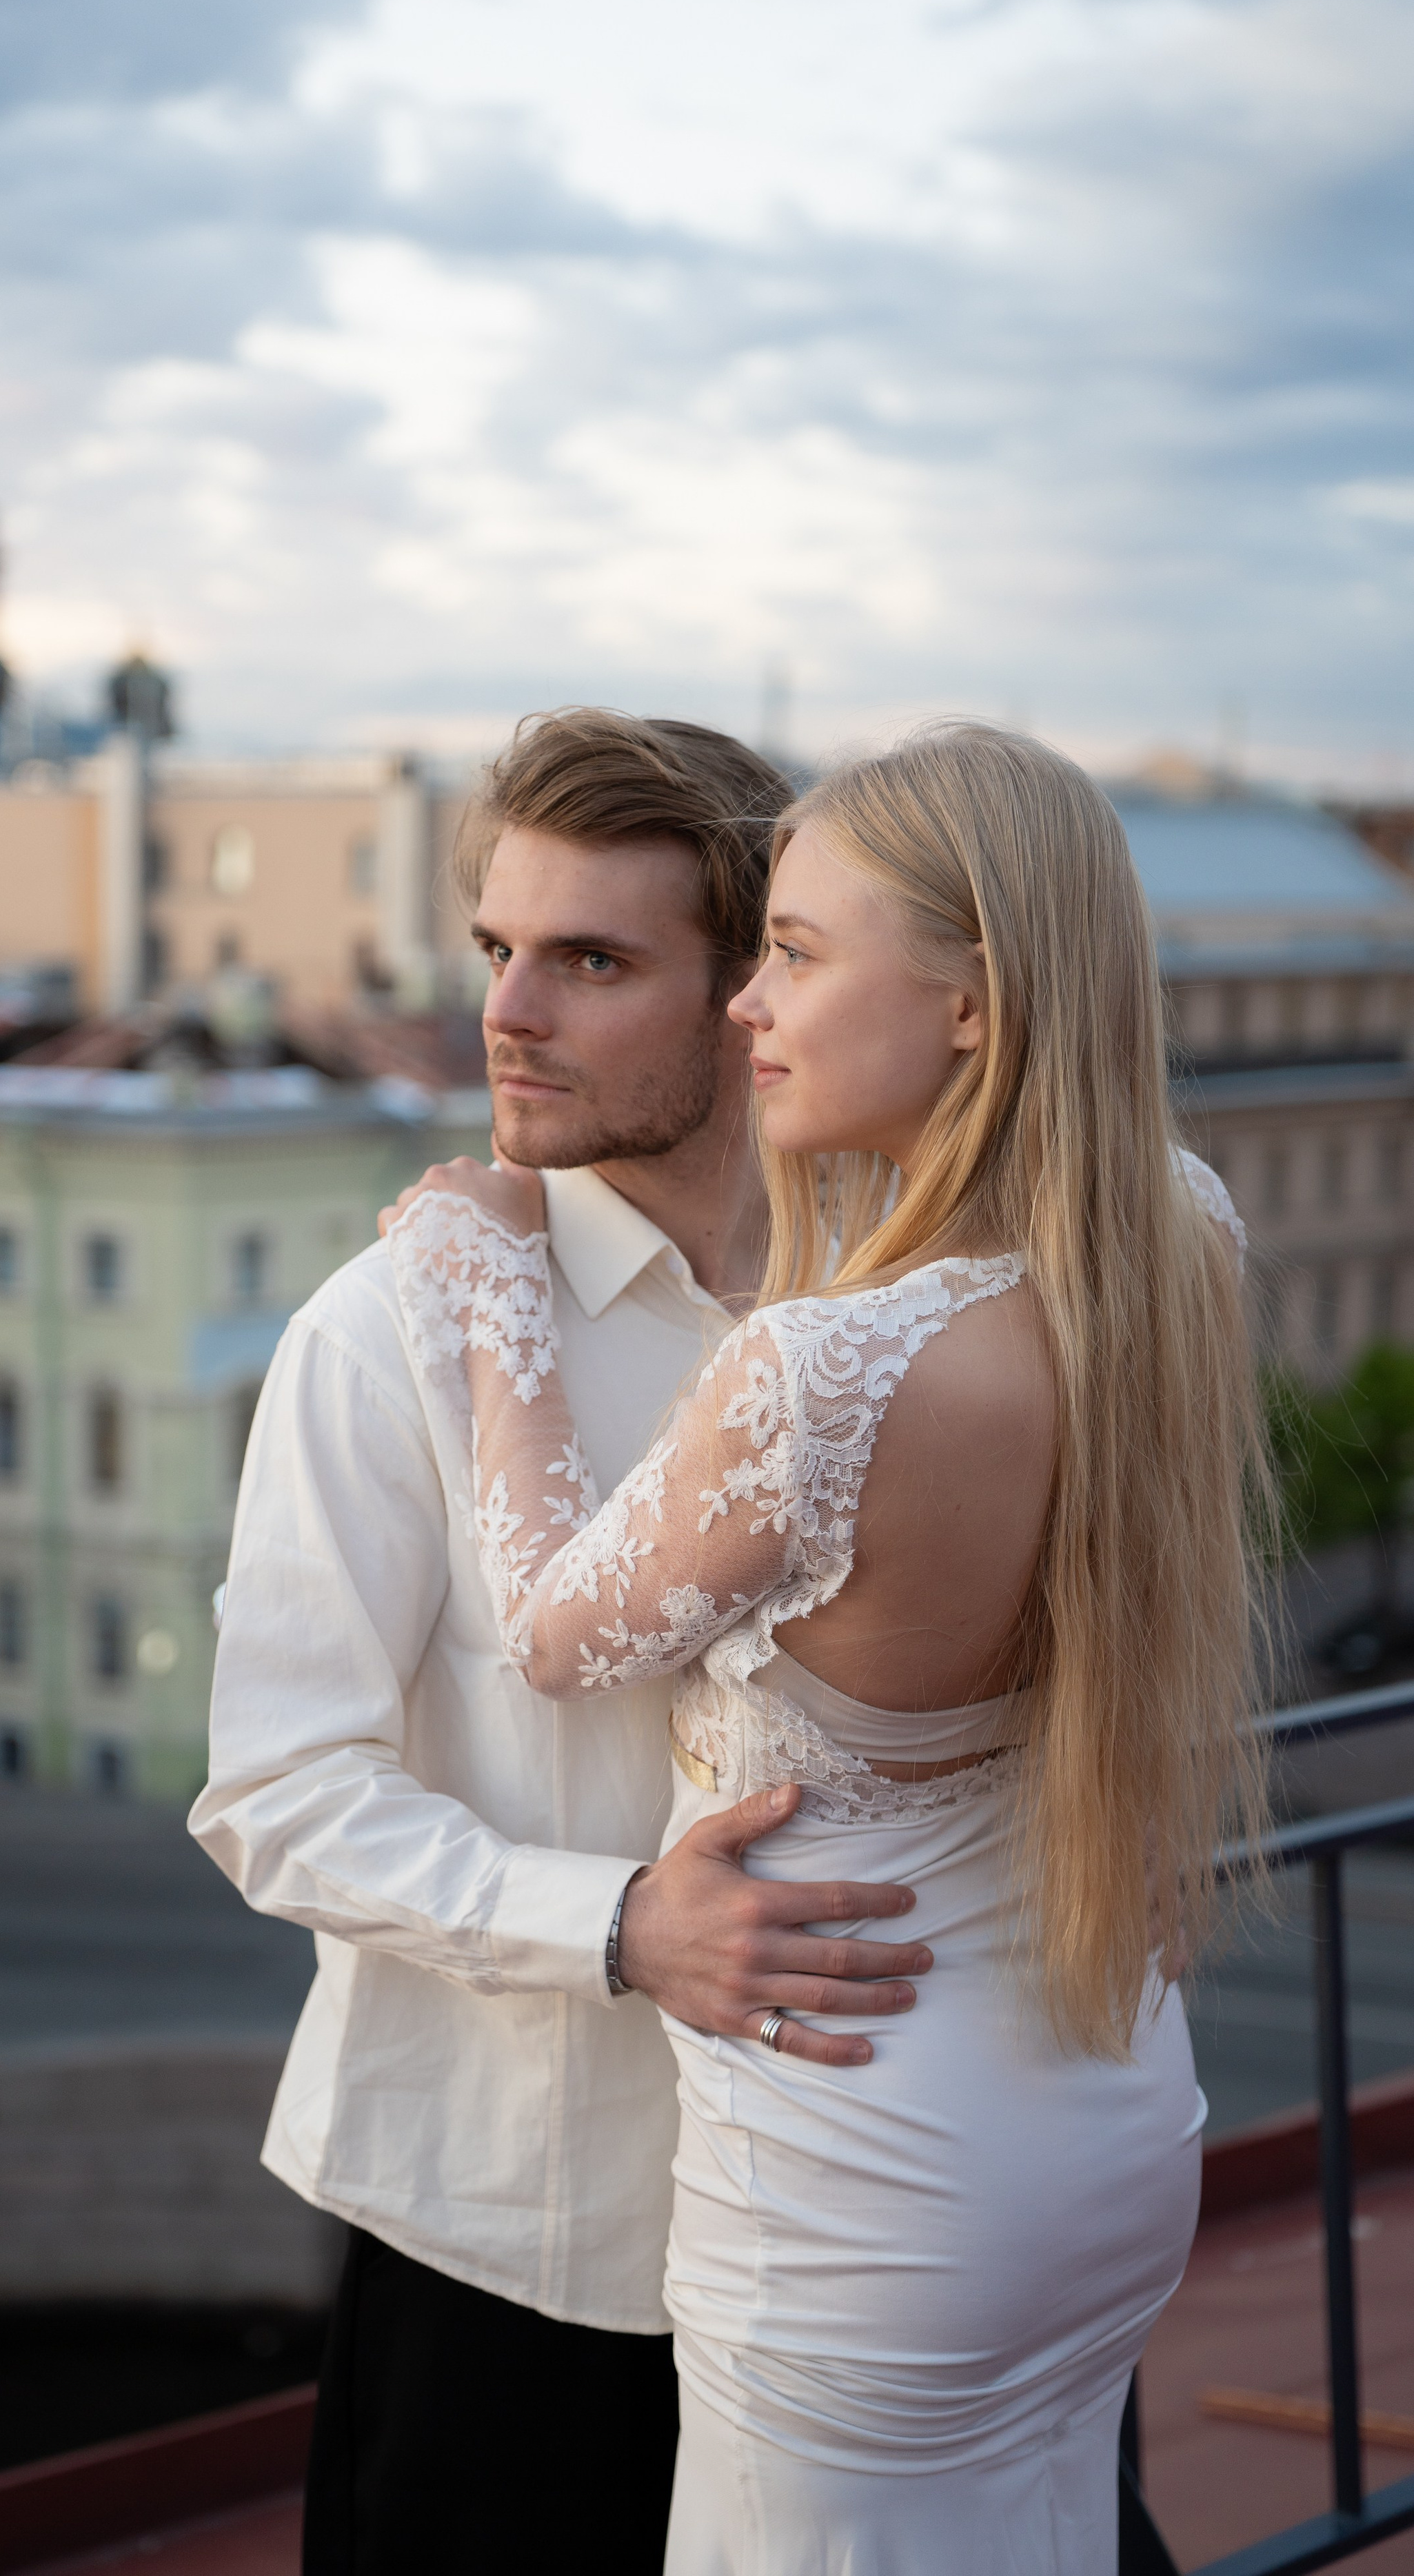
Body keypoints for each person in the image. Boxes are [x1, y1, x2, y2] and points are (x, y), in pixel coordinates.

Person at [383, 722, 1265, 2576]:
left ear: (969, 1005)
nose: (748, 1010)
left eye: (796, 954)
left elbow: (551, 1626)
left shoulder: (822, 1370)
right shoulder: (1177, 1240)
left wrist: (491, 1301)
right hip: (1107, 2117)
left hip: (869, 2192)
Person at [190, 710, 934, 2576]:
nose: (508, 1015)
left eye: (593, 961)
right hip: (519, 2245)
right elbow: (278, 1793)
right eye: (497, 952)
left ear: (746, 993)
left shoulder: (901, 1305)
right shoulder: (381, 1336)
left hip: (861, 2222)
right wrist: (619, 1928)